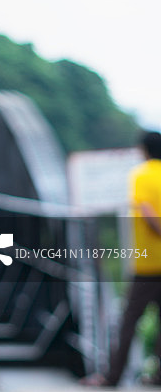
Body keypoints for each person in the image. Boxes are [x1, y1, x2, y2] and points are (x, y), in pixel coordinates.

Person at [83, 131, 161, 387]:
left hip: (148, 263)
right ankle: (157, 375)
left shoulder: (142, 174)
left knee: (129, 322)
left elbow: (147, 212)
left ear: (143, 150)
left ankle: (112, 376)